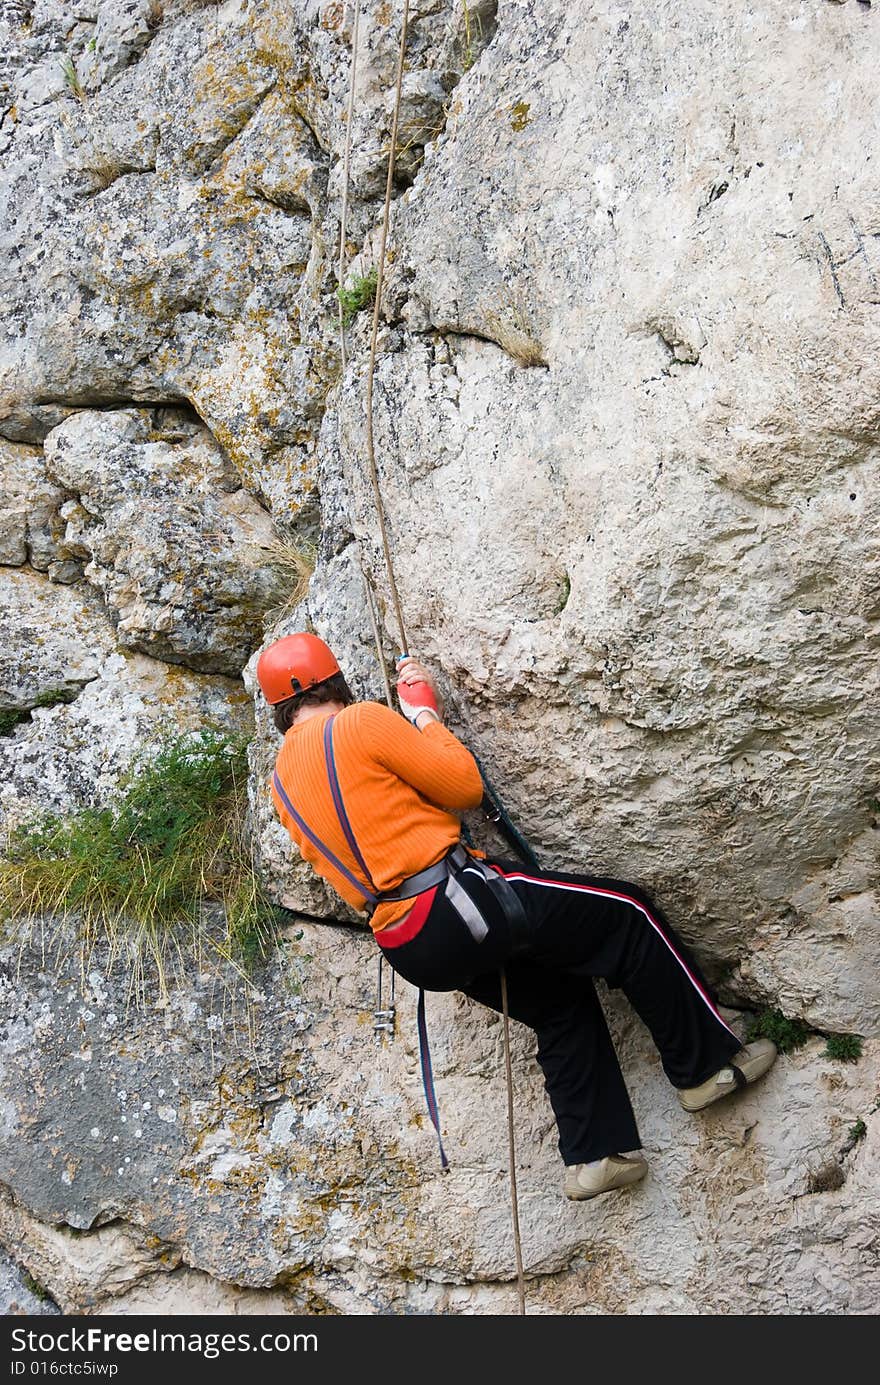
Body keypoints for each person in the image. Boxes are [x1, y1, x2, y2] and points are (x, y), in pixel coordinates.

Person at [258, 631, 777, 1200]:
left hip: (408, 944)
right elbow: (463, 786)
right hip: (456, 901)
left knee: (560, 1003)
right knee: (627, 913)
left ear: (280, 707)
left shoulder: (280, 781)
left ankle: (595, 1154)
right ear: (336, 680)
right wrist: (424, 716)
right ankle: (706, 1067)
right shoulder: (360, 721)